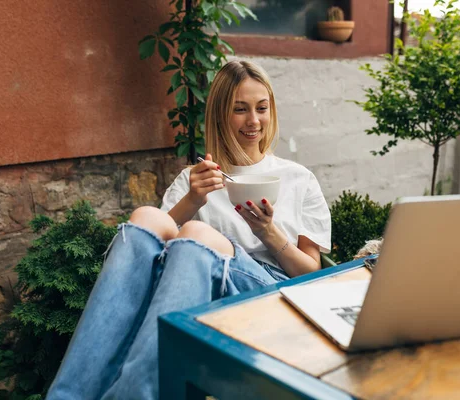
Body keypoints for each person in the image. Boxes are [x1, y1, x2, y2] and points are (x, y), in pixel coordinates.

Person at [46, 60, 331, 400]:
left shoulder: (298, 179)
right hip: (191, 290)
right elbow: (151, 254)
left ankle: (137, 394)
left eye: (261, 108)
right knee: (146, 217)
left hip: (270, 294)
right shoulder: (193, 180)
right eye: (240, 110)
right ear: (221, 115)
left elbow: (309, 273)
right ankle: (67, 395)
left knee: (198, 234)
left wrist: (268, 232)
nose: (253, 121)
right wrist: (193, 199)